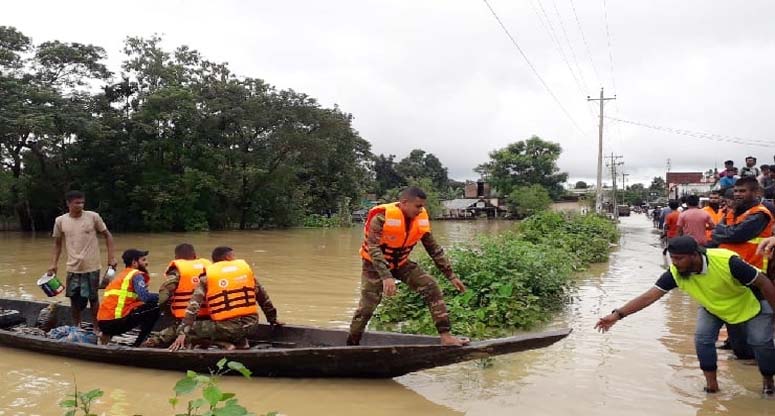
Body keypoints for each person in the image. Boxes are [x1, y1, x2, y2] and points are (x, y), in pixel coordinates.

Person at [595, 236, 775, 394]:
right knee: (702, 339)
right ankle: (712, 387)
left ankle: (768, 383)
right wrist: (617, 315)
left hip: (750, 304)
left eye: (679, 258)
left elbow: (764, 283)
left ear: (695, 255)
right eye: (672, 258)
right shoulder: (676, 273)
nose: (675, 262)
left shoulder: (727, 262)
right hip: (712, 307)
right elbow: (649, 296)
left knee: (760, 342)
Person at [347, 187, 468, 347]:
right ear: (404, 203)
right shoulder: (381, 217)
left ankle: (446, 337)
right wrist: (386, 276)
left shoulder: (420, 219)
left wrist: (450, 275)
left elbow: (434, 249)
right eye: (418, 206)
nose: (420, 210)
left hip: (401, 263)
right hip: (374, 266)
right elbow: (373, 248)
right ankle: (351, 345)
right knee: (367, 307)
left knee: (431, 287)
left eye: (422, 206)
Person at [145, 244, 281, 348]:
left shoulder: (206, 278)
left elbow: (193, 306)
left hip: (227, 328)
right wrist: (273, 319)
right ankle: (240, 342)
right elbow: (264, 299)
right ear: (227, 258)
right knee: (218, 326)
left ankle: (150, 344)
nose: (235, 259)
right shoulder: (246, 274)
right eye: (234, 256)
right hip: (252, 326)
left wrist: (183, 332)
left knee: (181, 329)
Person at [48, 190, 116, 334]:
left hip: (92, 266)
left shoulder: (93, 217)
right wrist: (53, 264)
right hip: (72, 267)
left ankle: (97, 327)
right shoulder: (60, 221)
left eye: (82, 202)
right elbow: (57, 244)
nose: (80, 205)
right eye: (76, 203)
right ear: (68, 204)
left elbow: (107, 236)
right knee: (74, 299)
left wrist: (111, 257)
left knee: (93, 298)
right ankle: (77, 325)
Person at [97, 249, 160, 346]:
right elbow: (145, 297)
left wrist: (111, 269)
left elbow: (104, 286)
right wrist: (166, 297)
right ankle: (140, 343)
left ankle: (106, 335)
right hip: (116, 323)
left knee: (146, 305)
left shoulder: (122, 275)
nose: (146, 263)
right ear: (134, 262)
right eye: (143, 260)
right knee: (156, 305)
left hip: (103, 323)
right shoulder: (136, 275)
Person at [712, 177, 774, 269]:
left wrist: (721, 231)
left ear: (755, 192)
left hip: (752, 268)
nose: (737, 194)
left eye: (742, 191)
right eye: (735, 191)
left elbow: (736, 234)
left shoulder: (760, 214)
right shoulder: (732, 212)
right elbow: (715, 233)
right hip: (728, 265)